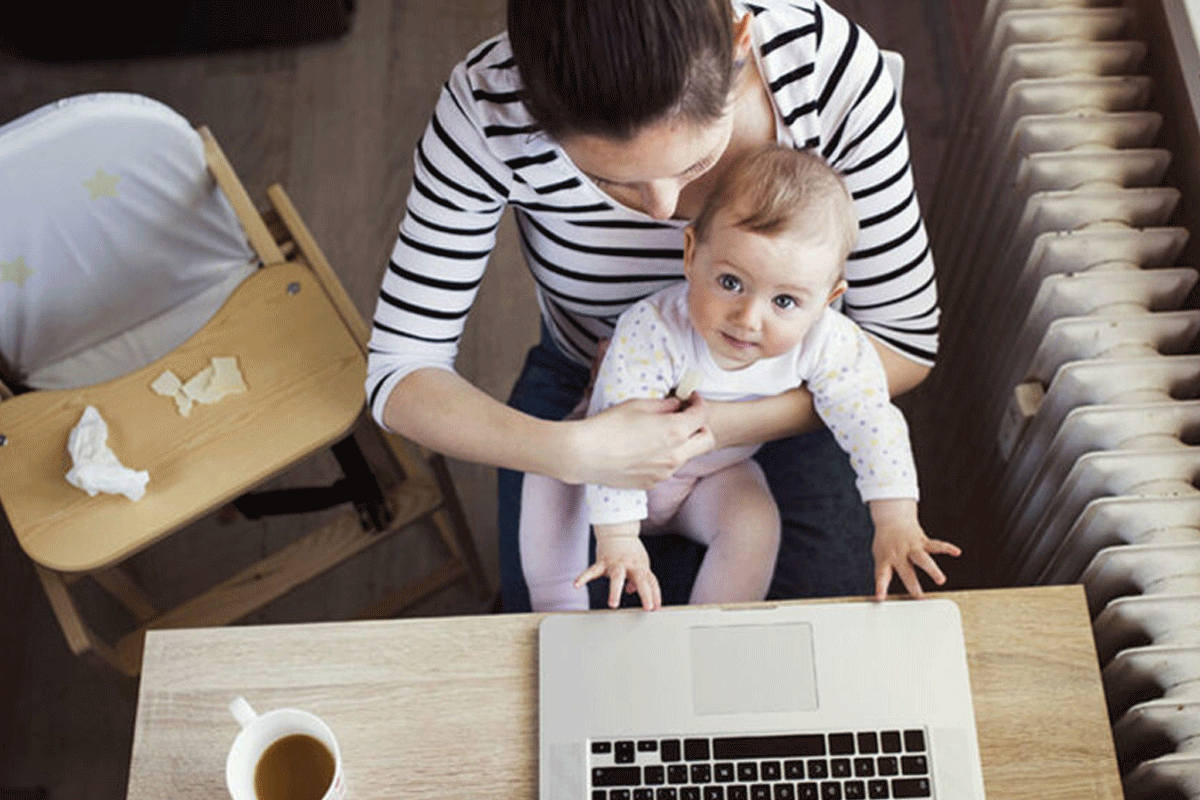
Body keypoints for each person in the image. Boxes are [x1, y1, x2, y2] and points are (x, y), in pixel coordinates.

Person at [365, 0, 942, 611]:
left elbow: (903, 343)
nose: (666, 213)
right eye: (611, 180)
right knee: (554, 637)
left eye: (697, 164)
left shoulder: (826, 71)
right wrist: (576, 450)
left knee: (810, 642)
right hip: (583, 388)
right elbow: (400, 373)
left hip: (790, 393)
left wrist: (711, 425)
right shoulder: (488, 108)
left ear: (740, 44)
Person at [522, 146, 958, 611]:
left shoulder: (830, 343)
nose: (748, 319)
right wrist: (620, 537)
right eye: (730, 282)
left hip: (709, 478)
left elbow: (871, 421)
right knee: (550, 475)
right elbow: (616, 431)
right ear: (692, 255)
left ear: (828, 299)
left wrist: (895, 519)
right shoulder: (654, 328)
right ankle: (555, 609)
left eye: (785, 302)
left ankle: (715, 625)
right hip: (606, 466)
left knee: (754, 521)